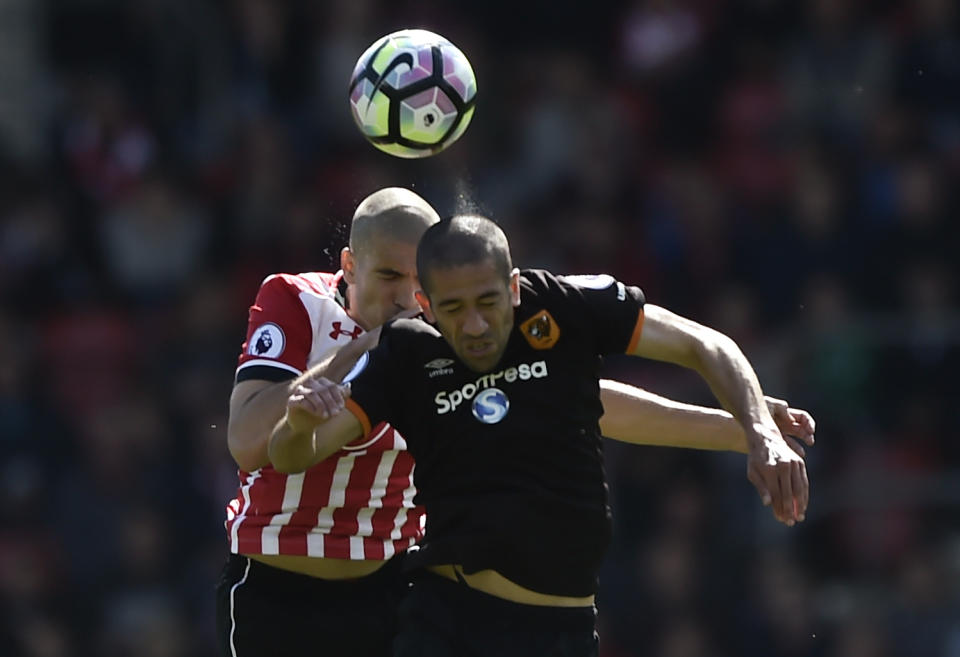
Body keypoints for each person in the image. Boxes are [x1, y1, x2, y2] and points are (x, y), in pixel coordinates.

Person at [268, 213, 810, 657]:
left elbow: (704, 345)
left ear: (513, 286)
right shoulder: (405, 354)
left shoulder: (567, 307)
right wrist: (298, 420)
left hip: (563, 628)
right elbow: (290, 456)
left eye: (488, 302)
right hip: (449, 619)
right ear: (427, 305)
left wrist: (755, 428)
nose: (475, 325)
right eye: (453, 310)